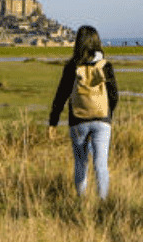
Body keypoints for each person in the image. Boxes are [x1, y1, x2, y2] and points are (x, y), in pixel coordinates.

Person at [48, 25, 118, 200]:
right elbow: (114, 95)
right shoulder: (105, 65)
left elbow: (61, 95)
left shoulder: (72, 66)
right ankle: (103, 205)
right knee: (101, 165)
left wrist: (53, 122)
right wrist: (108, 115)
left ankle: (82, 202)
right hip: (102, 120)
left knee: (81, 164)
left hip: (78, 120)